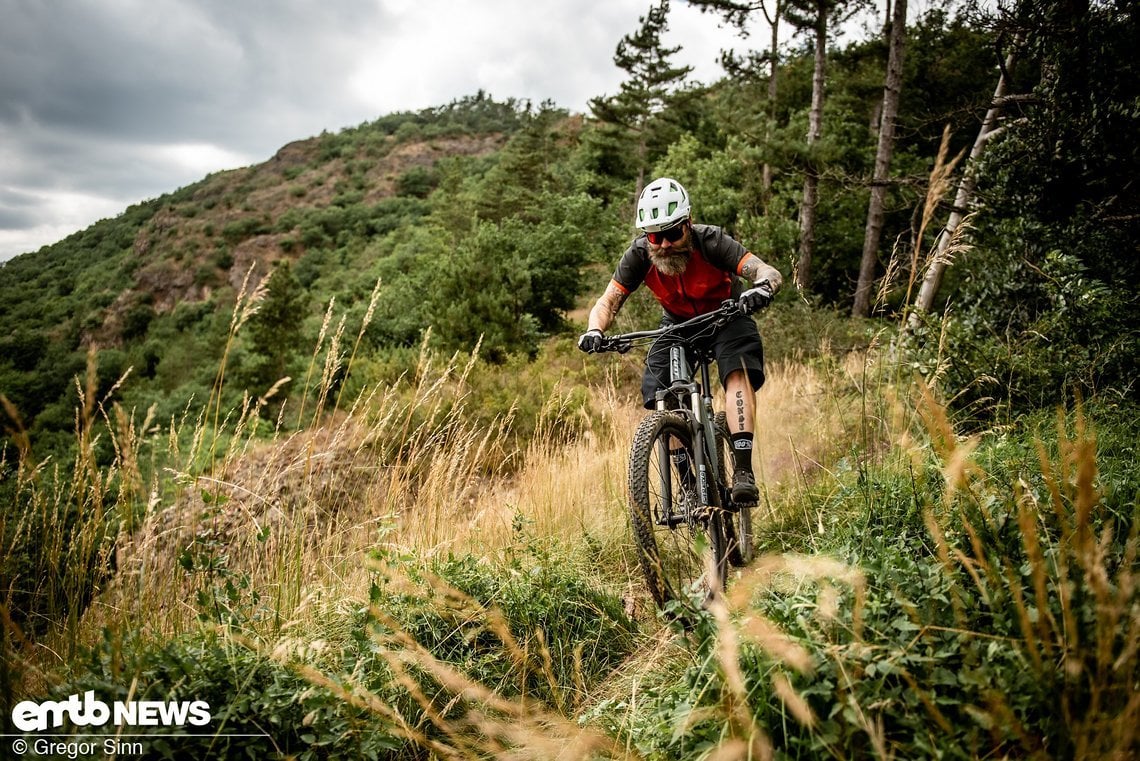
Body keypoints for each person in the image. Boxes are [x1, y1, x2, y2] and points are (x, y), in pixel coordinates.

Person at [577, 177, 782, 504]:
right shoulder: (639, 256)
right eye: (656, 237)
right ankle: (689, 487)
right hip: (676, 326)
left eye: (673, 234)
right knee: (664, 396)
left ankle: (743, 472)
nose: (664, 245)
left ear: (688, 224)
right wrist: (594, 331)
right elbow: (608, 301)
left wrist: (761, 289)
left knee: (736, 372)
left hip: (727, 315)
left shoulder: (712, 242)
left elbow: (766, 272)